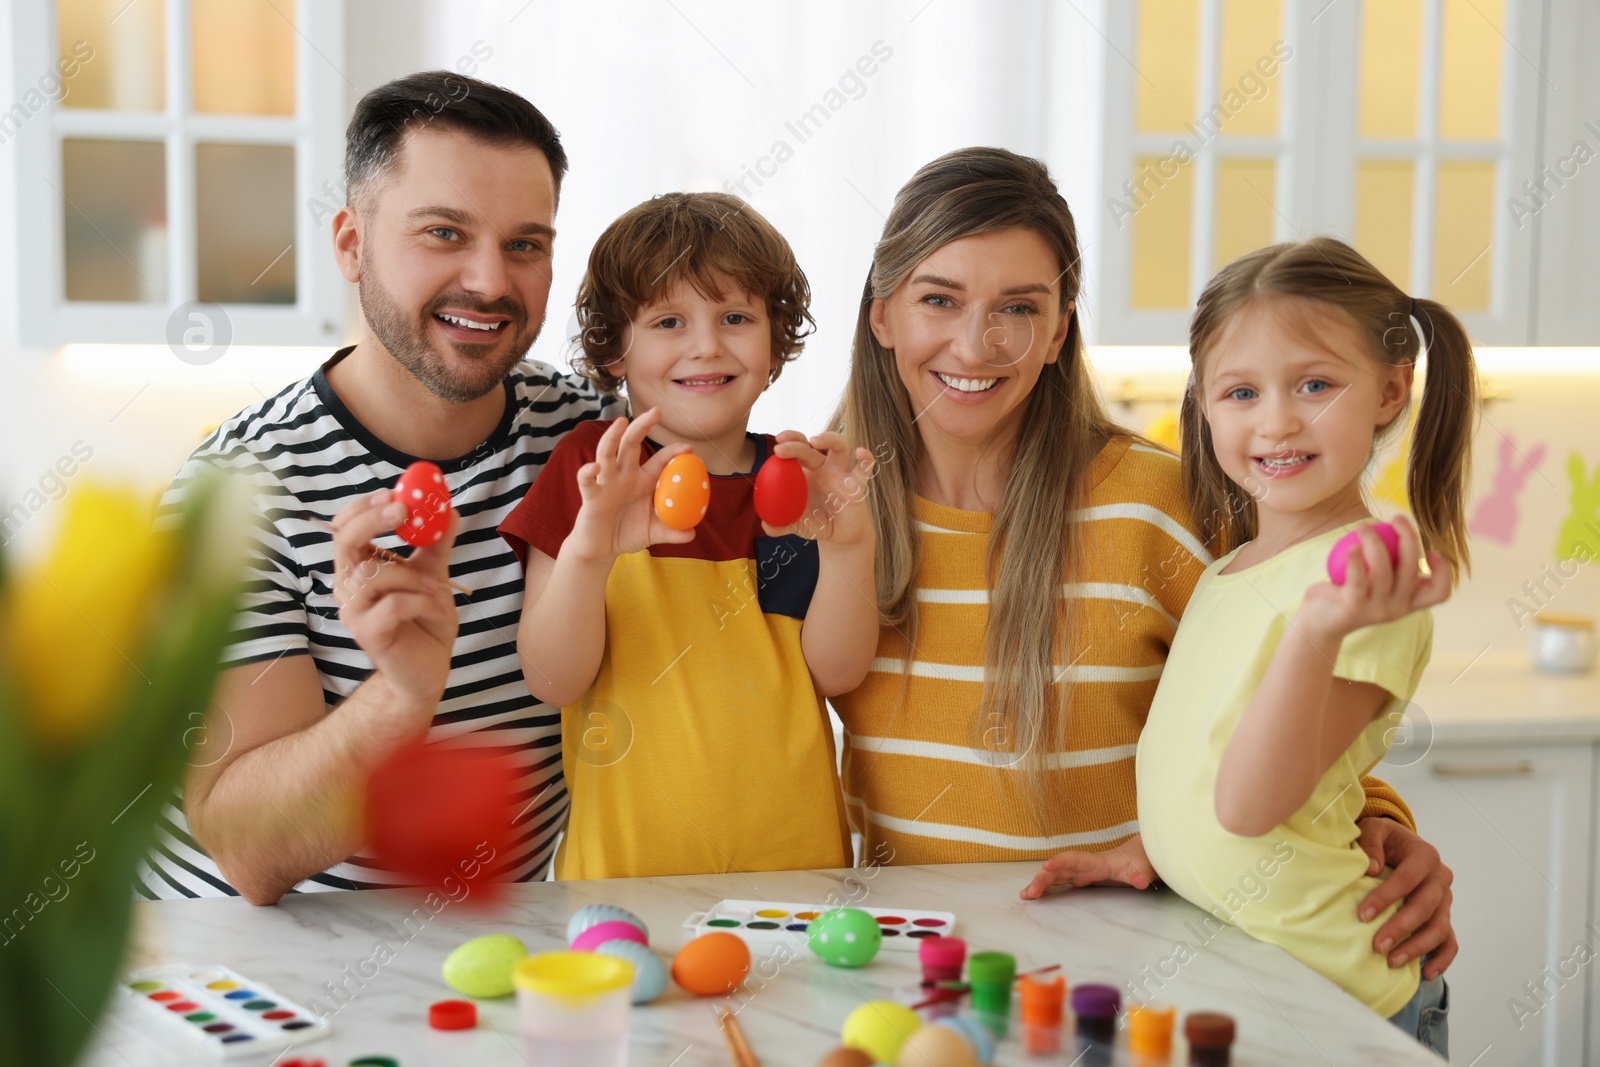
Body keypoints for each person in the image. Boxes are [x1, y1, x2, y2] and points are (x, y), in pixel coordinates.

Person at [830, 147, 1458, 980]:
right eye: (938, 299)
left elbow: (1281, 697)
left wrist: (1384, 819)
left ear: (1058, 330)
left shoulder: (1160, 504)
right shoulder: (830, 508)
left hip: (1139, 964)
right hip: (915, 958)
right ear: (883, 317)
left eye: (1018, 307)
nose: (975, 344)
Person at [139, 72, 616, 902]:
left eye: (525, 244)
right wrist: (398, 698)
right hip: (247, 979)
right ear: (352, 244)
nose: (491, 281)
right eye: (443, 232)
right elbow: (249, 851)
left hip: (477, 955)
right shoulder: (235, 494)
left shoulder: (587, 444)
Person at [1136, 238, 1472, 1055]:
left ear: (1392, 391)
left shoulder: (1363, 581)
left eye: (1315, 385)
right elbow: (1202, 762)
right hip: (1248, 969)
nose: (1277, 420)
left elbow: (1250, 806)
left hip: (1335, 991)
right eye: (1241, 391)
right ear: (1206, 405)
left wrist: (1320, 627)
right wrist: (1146, 848)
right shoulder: (1228, 571)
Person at [499, 193, 876, 878]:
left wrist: (850, 548)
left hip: (796, 878)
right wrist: (590, 549)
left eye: (735, 317)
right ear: (615, 347)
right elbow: (553, 677)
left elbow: (837, 673)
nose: (707, 344)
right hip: (623, 882)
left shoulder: (794, 481)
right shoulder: (590, 471)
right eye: (669, 321)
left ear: (774, 343)